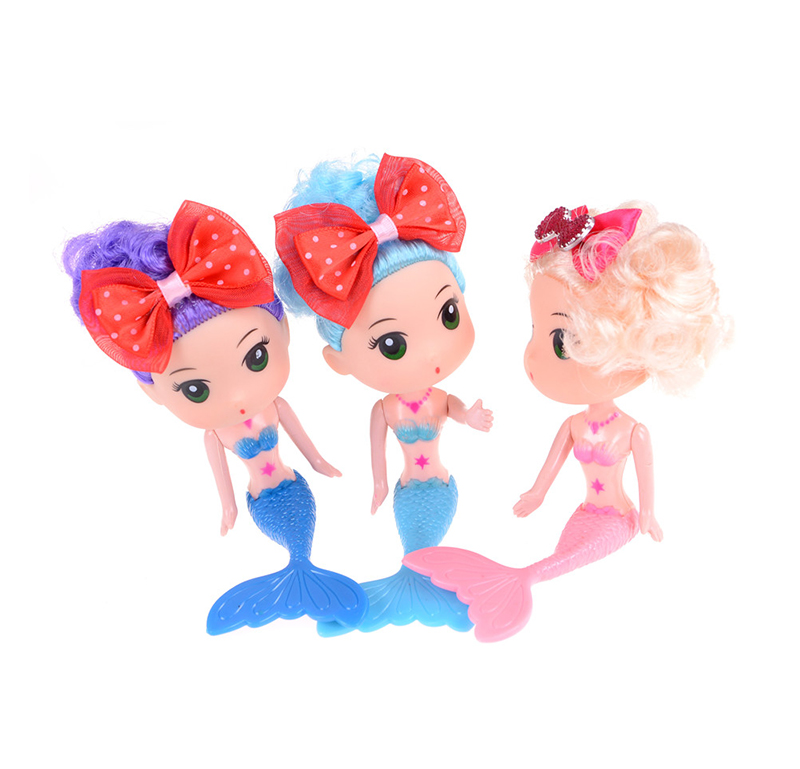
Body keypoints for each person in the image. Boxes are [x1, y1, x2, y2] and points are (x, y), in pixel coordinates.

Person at [404, 202, 729, 642]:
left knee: (560, 563)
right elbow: (550, 468)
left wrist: (648, 515)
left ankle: (517, 581)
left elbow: (645, 481)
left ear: (634, 350)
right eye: (535, 331)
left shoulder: (633, 432)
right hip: (583, 514)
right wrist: (536, 494)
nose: (532, 358)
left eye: (562, 341)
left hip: (618, 519)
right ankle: (512, 579)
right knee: (557, 559)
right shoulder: (574, 425)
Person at [63, 199, 367, 634]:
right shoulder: (216, 435)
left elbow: (306, 445)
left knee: (303, 543)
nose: (239, 397)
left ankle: (305, 576)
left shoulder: (275, 407)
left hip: (294, 486)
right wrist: (229, 508)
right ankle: (304, 581)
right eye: (196, 389)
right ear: (151, 391)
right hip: (261, 501)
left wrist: (320, 463)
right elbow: (223, 479)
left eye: (256, 356)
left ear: (282, 330)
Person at [275, 154, 493, 634]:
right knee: (415, 547)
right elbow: (377, 453)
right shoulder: (385, 408)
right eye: (392, 344)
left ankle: (425, 585)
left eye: (449, 314)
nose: (432, 353)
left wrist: (471, 417)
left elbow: (456, 409)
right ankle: (416, 587)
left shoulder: (436, 398)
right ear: (339, 360)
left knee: (425, 548)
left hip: (440, 487)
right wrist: (377, 485)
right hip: (406, 490)